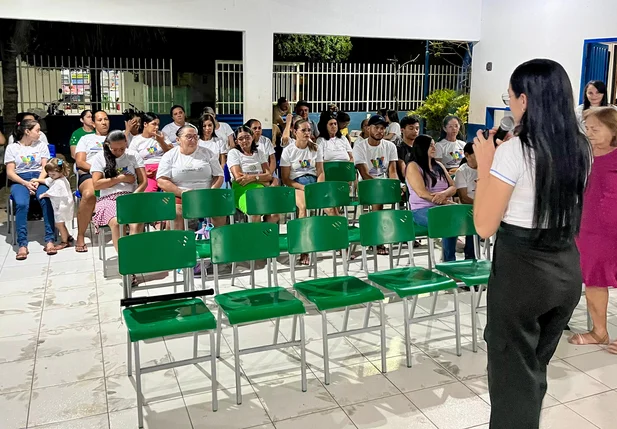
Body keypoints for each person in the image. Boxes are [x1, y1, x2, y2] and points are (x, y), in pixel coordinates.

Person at [472, 59, 592, 429]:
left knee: (512, 377)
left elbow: (484, 226)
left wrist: (485, 166)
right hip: (565, 269)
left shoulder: (514, 152)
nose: (508, 104)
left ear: (524, 99)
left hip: (522, 273)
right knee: (533, 369)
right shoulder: (581, 147)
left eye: (509, 97)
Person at [569, 107, 617, 351]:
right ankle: (599, 332)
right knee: (594, 279)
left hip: (613, 227)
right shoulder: (582, 155)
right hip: (589, 227)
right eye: (587, 129)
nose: (590, 133)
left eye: (596, 129)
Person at [5, 120, 56, 259]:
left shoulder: (41, 146)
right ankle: (22, 243)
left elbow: (46, 167)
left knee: (46, 198)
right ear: (27, 131)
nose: (40, 133)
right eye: (37, 130)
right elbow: (10, 172)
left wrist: (37, 181)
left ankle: (50, 239)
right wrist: (26, 183)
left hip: (39, 178)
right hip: (20, 180)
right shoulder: (12, 148)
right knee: (21, 204)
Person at [157, 124, 225, 229]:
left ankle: (218, 242)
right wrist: (181, 192)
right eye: (189, 136)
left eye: (195, 137)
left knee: (220, 210)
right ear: (178, 140)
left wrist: (211, 191)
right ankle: (178, 244)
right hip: (180, 196)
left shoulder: (208, 153)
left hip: (205, 194)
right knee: (176, 214)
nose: (193, 139)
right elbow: (161, 181)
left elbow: (219, 176)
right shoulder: (169, 156)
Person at [90, 130, 147, 253]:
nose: (119, 152)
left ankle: (133, 253)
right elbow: (96, 184)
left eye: (122, 148)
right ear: (108, 146)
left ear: (126, 143)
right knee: (117, 223)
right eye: (115, 150)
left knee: (136, 223)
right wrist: (120, 178)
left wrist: (134, 195)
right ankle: (124, 257)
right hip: (108, 198)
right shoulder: (99, 158)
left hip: (130, 196)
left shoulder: (133, 156)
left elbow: (143, 182)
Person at [406, 134, 458, 261]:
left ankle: (471, 256)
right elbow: (422, 193)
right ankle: (449, 262)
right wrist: (444, 201)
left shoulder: (439, 165)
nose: (434, 148)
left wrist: (444, 194)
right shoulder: (413, 166)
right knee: (447, 222)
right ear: (422, 147)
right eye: (431, 146)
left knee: (467, 216)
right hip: (422, 209)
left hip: (444, 206)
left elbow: (453, 187)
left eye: (434, 145)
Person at [280, 119, 325, 265]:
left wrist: (319, 187)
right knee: (303, 208)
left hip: (314, 182)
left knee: (331, 207)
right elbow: (286, 179)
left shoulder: (315, 148)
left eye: (309, 130)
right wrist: (303, 188)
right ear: (295, 132)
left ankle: (338, 243)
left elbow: (320, 171)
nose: (307, 133)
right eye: (303, 130)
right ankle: (304, 249)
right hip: (296, 184)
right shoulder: (288, 151)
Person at [75, 110, 110, 252]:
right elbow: (80, 162)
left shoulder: (115, 137)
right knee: (89, 194)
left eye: (106, 119)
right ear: (94, 123)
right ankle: (80, 235)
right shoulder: (85, 139)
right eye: (100, 120)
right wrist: (98, 171)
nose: (104, 122)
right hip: (90, 174)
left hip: (112, 175)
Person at [227, 126, 278, 223]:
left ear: (252, 138)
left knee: (275, 214)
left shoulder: (259, 152)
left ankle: (264, 234)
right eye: (241, 139)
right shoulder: (233, 153)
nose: (245, 140)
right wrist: (262, 179)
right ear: (236, 141)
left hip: (261, 189)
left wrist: (251, 177)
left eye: (247, 137)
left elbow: (269, 175)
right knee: (255, 211)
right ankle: (255, 237)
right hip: (242, 190)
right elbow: (239, 179)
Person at [128, 112, 174, 192]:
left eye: (158, 125)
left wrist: (161, 142)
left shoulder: (162, 135)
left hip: (163, 168)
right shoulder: (136, 140)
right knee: (148, 193)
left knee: (168, 192)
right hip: (147, 170)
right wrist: (143, 171)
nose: (157, 127)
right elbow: (131, 160)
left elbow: (172, 153)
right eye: (154, 124)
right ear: (145, 124)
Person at [41, 158, 74, 250]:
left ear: (60, 171)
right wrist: (38, 180)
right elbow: (47, 181)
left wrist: (44, 194)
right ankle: (68, 236)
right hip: (63, 205)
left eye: (53, 174)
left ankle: (64, 242)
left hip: (61, 206)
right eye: (49, 174)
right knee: (60, 223)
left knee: (59, 224)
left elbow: (53, 192)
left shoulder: (59, 182)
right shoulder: (58, 178)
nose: (51, 176)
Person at [454, 142, 479, 260]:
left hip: (482, 205)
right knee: (473, 218)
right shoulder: (462, 171)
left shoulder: (486, 168)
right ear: (467, 155)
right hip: (468, 207)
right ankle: (470, 256)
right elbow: (463, 198)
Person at [245, 118, 278, 186]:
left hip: (267, 171)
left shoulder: (266, 141)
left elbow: (272, 160)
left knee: (274, 184)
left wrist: (269, 174)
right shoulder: (245, 143)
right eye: (255, 128)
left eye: (259, 128)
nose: (258, 130)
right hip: (253, 172)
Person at [396, 115, 420, 182]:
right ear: (402, 130)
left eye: (417, 128)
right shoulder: (398, 149)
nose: (415, 131)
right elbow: (404, 172)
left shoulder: (421, 148)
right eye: (411, 128)